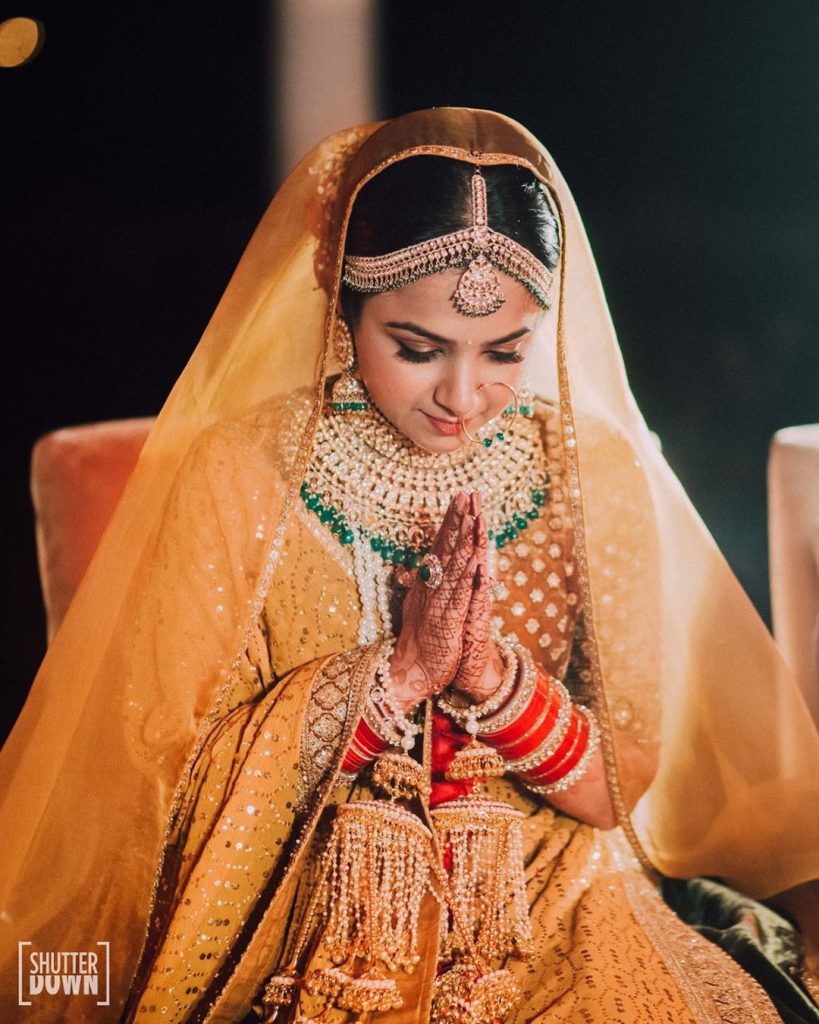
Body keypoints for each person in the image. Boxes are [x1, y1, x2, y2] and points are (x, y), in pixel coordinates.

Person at [2, 107, 819, 1024]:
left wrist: (493, 681)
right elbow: (166, 784)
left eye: (505, 352)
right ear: (340, 297)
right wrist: (392, 680)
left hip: (555, 902)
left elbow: (616, 788)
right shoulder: (242, 472)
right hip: (306, 915)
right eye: (416, 349)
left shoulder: (591, 472)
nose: (463, 394)